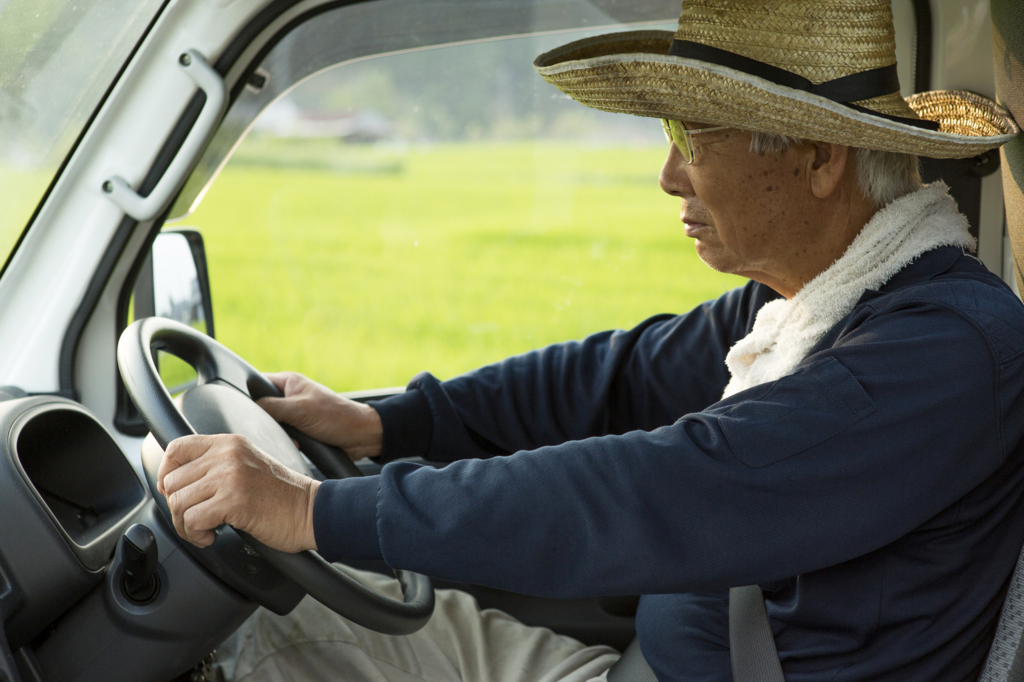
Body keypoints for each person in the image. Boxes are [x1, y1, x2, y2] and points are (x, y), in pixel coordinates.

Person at [151, 0, 1024, 679]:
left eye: (690, 137)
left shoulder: (939, 355)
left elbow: (665, 488)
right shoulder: (813, 307)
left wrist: (311, 512)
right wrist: (392, 423)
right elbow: (618, 378)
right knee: (290, 621)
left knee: (267, 644)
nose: (668, 175)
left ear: (817, 159)